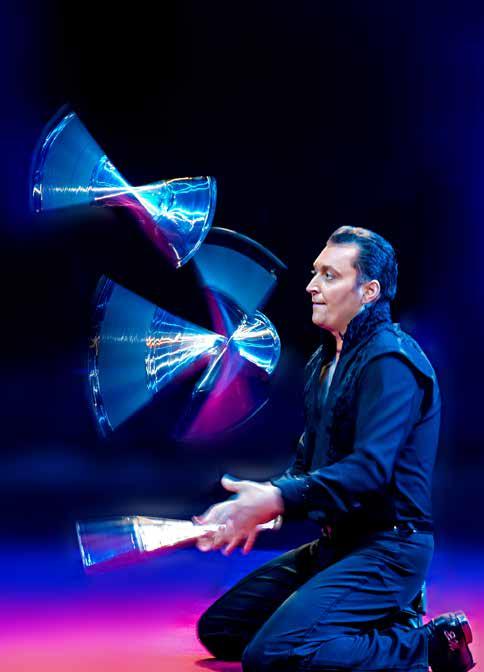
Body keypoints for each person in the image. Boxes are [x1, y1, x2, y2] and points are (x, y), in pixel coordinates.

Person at [194, 226, 475, 672]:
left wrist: (277, 497)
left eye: (329, 275)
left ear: (369, 291)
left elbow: (368, 471)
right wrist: (254, 509)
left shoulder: (391, 362)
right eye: (315, 272)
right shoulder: (325, 361)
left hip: (388, 550)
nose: (312, 285)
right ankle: (383, 618)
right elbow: (309, 465)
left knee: (271, 656)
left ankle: (427, 646)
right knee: (223, 630)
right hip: (337, 545)